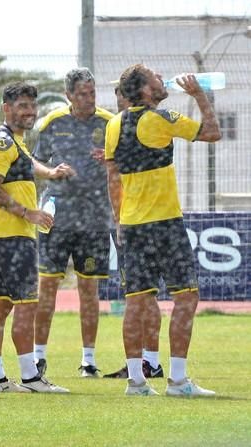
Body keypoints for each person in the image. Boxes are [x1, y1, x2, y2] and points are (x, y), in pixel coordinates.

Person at [105, 64, 220, 396]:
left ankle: (136, 383)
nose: (162, 79)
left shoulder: (113, 125)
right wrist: (199, 95)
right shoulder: (160, 119)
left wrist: (119, 220)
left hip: (132, 225)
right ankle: (178, 381)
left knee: (136, 302)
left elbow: (112, 177)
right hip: (164, 224)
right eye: (156, 77)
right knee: (186, 297)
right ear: (144, 90)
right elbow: (212, 132)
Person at [0, 81, 74, 393]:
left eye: (32, 106)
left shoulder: (14, 142)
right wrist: (28, 213)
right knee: (25, 305)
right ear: (6, 109)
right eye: (22, 106)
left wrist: (50, 173)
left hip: (7, 236)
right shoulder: (1, 143)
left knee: (0, 308)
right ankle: (31, 378)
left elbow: (26, 163)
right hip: (11, 236)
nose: (29, 112)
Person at [32, 68, 113, 378]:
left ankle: (88, 360)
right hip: (58, 217)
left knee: (89, 290)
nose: (88, 99)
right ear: (68, 96)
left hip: (94, 219)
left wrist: (109, 159)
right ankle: (39, 358)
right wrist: (51, 172)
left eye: (92, 93)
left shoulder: (108, 123)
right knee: (47, 286)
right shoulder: (53, 123)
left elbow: (123, 164)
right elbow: (31, 161)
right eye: (82, 94)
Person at [104, 82, 163, 380]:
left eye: (123, 104)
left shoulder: (147, 126)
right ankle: (146, 362)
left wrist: (119, 220)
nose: (121, 112)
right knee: (142, 295)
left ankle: (147, 362)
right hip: (135, 221)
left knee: (140, 295)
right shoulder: (121, 132)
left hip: (138, 223)